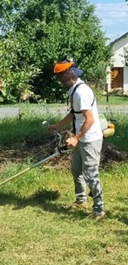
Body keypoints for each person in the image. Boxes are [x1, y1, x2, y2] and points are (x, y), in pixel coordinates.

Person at [48, 58, 105, 220]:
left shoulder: (81, 92)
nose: (59, 80)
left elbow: (90, 120)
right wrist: (57, 126)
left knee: (91, 174)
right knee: (76, 170)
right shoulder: (74, 89)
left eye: (60, 76)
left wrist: (76, 137)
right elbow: (74, 113)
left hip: (90, 139)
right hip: (82, 138)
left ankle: (99, 211)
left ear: (68, 73)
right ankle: (81, 201)